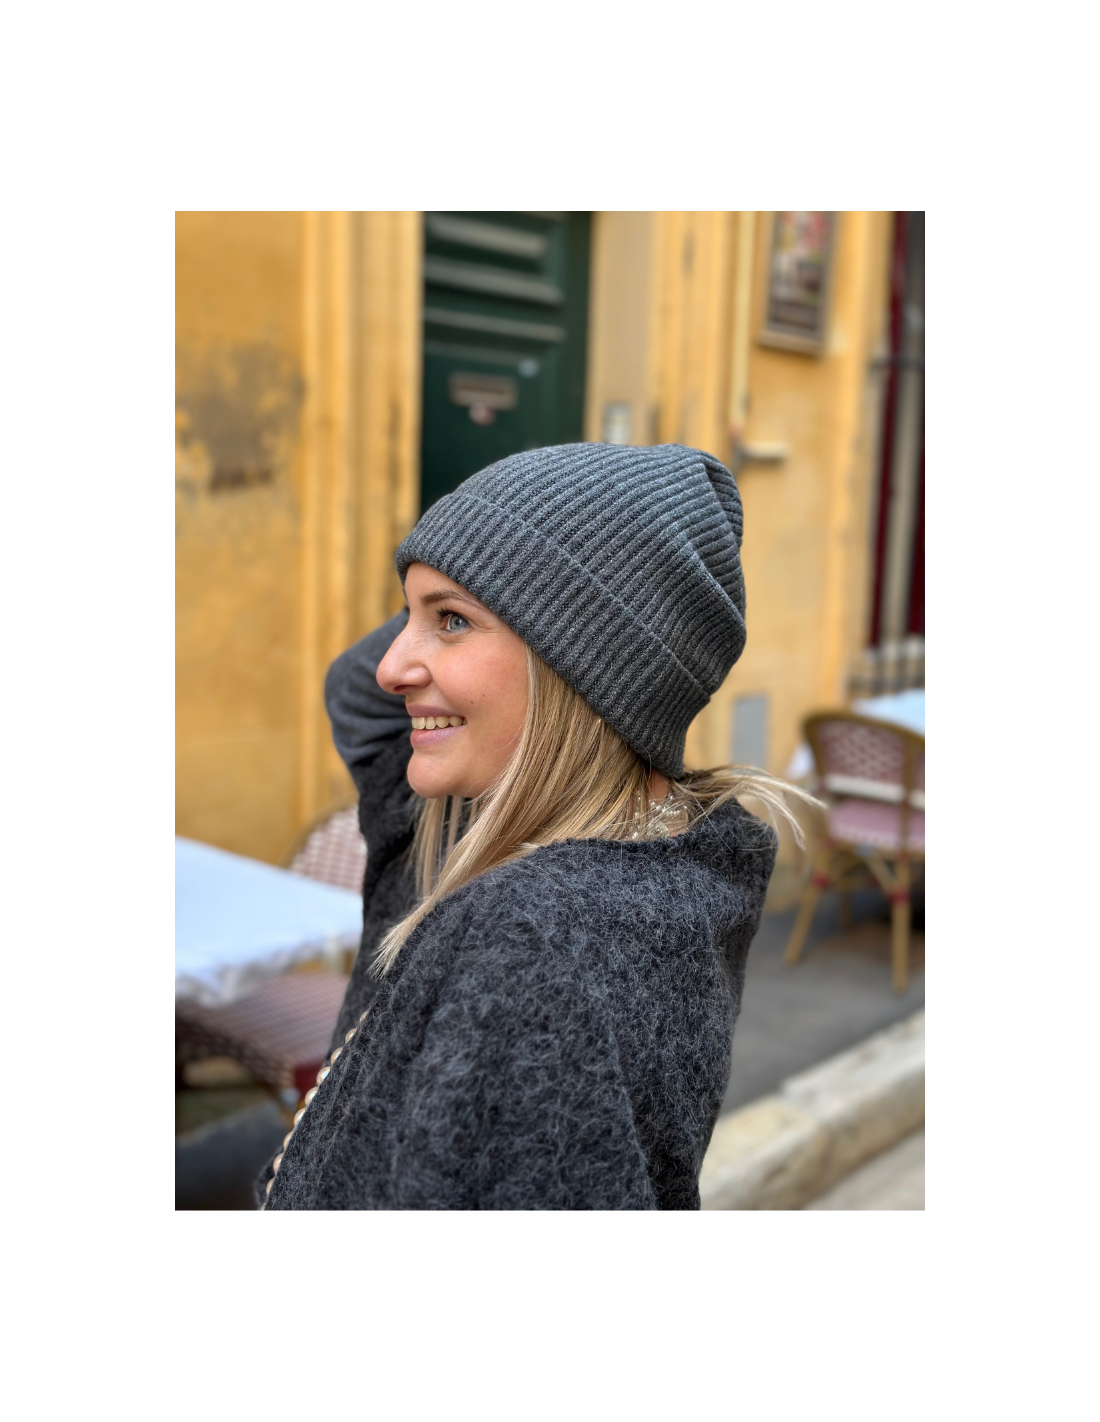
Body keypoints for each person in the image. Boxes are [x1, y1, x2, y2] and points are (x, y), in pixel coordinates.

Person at [258, 442, 810, 1210]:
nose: (391, 668)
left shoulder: (530, 936)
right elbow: (359, 693)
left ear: (580, 659)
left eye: (452, 619)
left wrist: (545, 583)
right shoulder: (649, 859)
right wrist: (482, 566)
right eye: (410, 616)